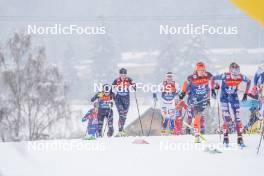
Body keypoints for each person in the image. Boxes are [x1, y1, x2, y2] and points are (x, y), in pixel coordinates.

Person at [211, 62, 251, 147]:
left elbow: (249, 81)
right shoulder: (225, 76)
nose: (235, 77)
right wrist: (213, 89)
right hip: (224, 98)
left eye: (237, 75)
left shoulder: (240, 77)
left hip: (233, 97)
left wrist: (245, 94)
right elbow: (212, 78)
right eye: (234, 75)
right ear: (230, 72)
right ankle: (226, 138)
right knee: (227, 118)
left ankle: (240, 139)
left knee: (238, 118)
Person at [180, 62, 213, 143]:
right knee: (196, 116)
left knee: (199, 116)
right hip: (194, 99)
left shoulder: (208, 75)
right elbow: (185, 83)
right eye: (200, 70)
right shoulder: (191, 77)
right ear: (196, 70)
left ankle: (198, 131)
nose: (202, 72)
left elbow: (212, 81)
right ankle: (196, 135)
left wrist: (215, 86)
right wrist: (183, 93)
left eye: (203, 70)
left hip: (203, 99)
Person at [112, 68, 136, 136]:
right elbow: (112, 90)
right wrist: (113, 98)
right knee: (121, 114)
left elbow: (134, 86)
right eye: (121, 74)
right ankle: (120, 130)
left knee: (124, 116)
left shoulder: (129, 79)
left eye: (124, 74)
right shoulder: (116, 80)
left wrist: (134, 86)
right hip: (118, 99)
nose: (123, 76)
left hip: (126, 99)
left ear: (126, 74)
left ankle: (122, 129)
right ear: (119, 74)